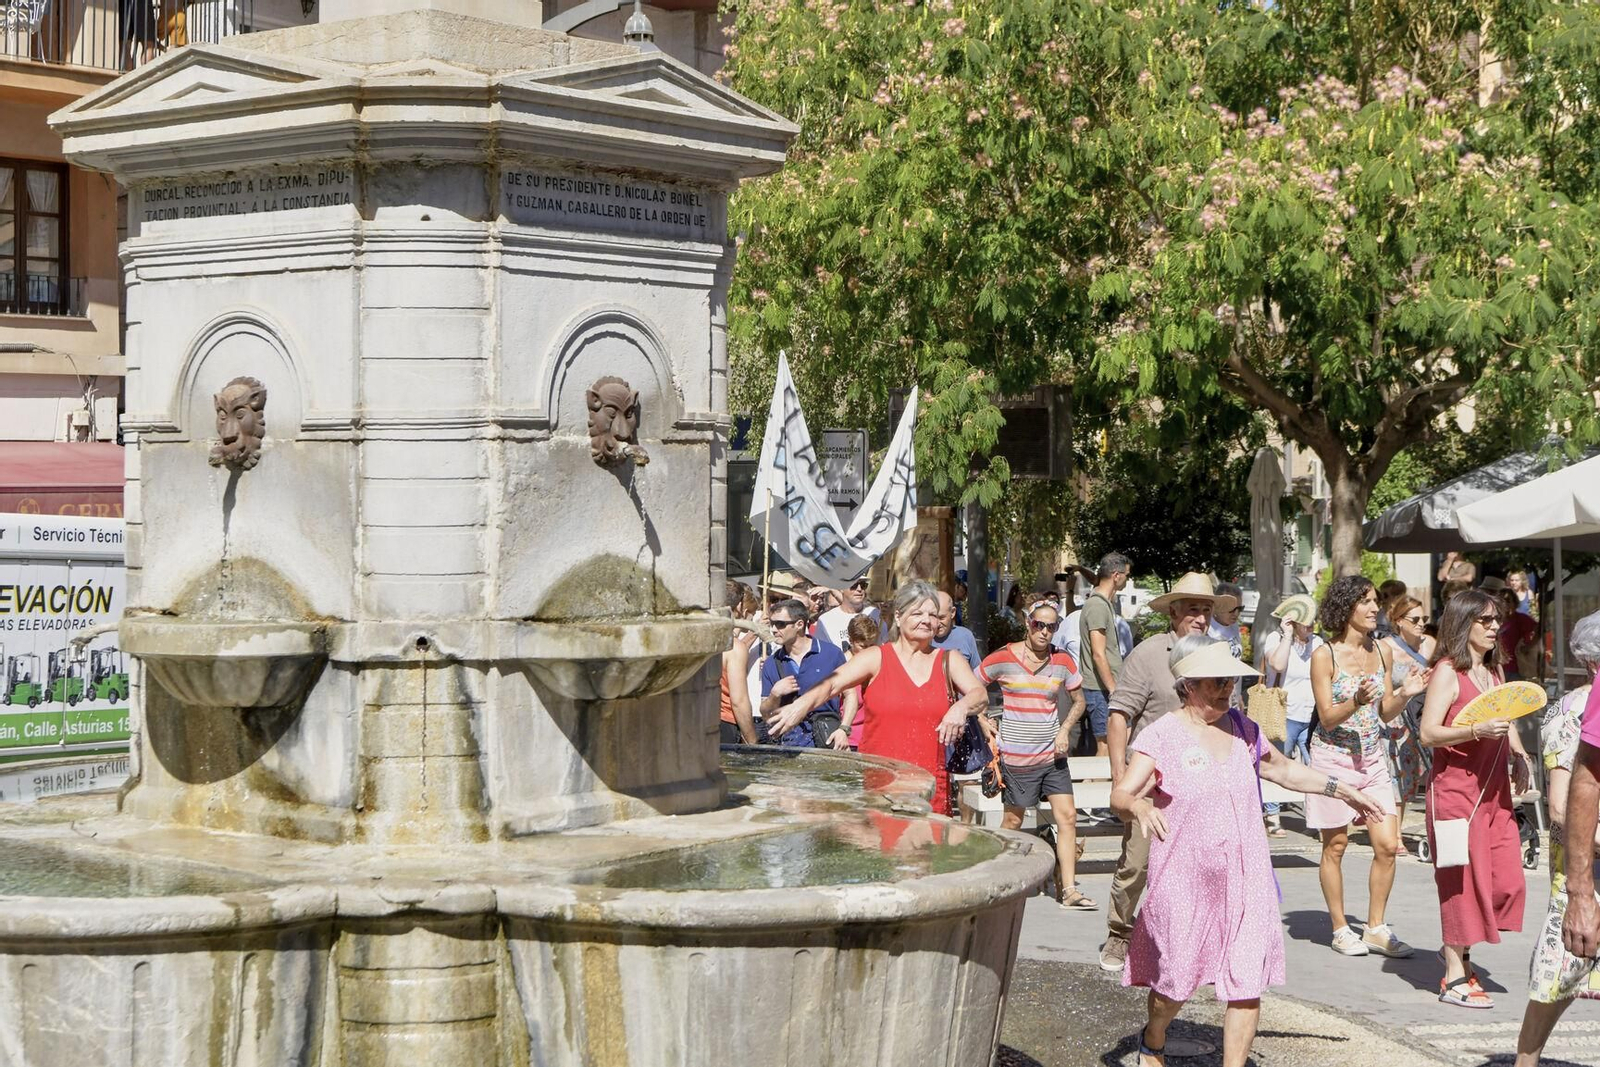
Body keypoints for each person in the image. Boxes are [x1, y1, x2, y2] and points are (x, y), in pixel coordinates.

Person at [1113, 636, 1386, 1067]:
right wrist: (1140, 803)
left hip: (1247, 879)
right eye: (1216, 681)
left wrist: (1341, 788)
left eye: (1231, 680)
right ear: (1188, 685)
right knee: (1174, 984)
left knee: (1246, 984)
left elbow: (1283, 768)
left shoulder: (1243, 728)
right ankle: (1155, 1034)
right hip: (1186, 882)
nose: (1227, 688)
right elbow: (1121, 795)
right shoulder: (1162, 735)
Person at [1100, 571, 1235, 974]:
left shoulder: (1220, 654)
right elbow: (1120, 713)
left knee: (1206, 863)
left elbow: (1233, 716)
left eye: (1206, 610)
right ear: (1173, 612)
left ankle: (1197, 940)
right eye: (1192, 609)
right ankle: (1120, 933)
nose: (1200, 617)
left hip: (1203, 781)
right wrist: (1120, 773)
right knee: (1138, 863)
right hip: (1152, 781)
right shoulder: (1149, 653)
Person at [774, 580, 988, 814]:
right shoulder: (876, 657)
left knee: (929, 848)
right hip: (881, 787)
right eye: (917, 613)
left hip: (929, 787)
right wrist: (800, 705)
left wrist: (961, 707)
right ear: (898, 616)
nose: (926, 620)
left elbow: (980, 695)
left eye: (933, 615)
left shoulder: (949, 659)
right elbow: (831, 683)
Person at [1419, 588, 1532, 1008]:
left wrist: (1519, 755)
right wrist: (1474, 732)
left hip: (1494, 794)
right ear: (1463, 623)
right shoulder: (1448, 671)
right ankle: (1454, 974)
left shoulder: (1494, 671)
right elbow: (1428, 733)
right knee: (1460, 882)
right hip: (1454, 794)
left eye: (1495, 619)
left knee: (1506, 880)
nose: (1493, 627)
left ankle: (1459, 948)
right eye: (1484, 620)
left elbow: (1507, 718)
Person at [1308, 575, 1428, 959]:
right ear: (1346, 608)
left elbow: (1384, 710)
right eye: (1366, 602)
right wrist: (1356, 701)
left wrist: (1405, 694)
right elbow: (1327, 718)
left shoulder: (1383, 652)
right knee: (1336, 845)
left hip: (1373, 757)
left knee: (1388, 845)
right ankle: (1341, 928)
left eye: (1375, 601)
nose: (1375, 608)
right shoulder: (1324, 654)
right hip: (1333, 758)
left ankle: (1376, 928)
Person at [1514, 611, 1600, 1065]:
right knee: (1561, 972)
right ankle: (1525, 1061)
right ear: (1592, 662)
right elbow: (1563, 808)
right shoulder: (1572, 712)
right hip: (1583, 866)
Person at [978, 599, 1094, 911]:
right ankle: (995, 878)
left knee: (1067, 817)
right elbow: (971, 688)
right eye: (1038, 624)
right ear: (1027, 623)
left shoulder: (1063, 661)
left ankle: (1068, 889)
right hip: (1017, 758)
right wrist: (982, 719)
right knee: (1013, 821)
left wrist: (1064, 729)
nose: (1044, 632)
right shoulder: (1003, 657)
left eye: (1051, 626)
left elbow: (1079, 700)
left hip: (1052, 757)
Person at [1382, 594, 1435, 850]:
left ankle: (1398, 831)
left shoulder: (1430, 645)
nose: (1421, 623)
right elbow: (1381, 688)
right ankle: (1395, 836)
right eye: (1415, 619)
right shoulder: (1386, 648)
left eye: (1424, 618)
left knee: (1411, 778)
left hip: (1420, 717)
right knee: (1395, 778)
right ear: (1399, 621)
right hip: (1394, 720)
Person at [759, 598, 848, 748]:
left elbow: (850, 695)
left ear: (799, 624)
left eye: (780, 624)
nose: (774, 629)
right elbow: (765, 713)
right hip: (790, 746)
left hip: (827, 740)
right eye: (772, 624)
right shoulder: (771, 663)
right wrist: (775, 694)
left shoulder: (831, 653)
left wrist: (844, 729)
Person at [1079, 553, 1132, 759]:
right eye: (1126, 575)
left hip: (1104, 688)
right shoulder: (1097, 606)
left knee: (1115, 744)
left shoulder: (1103, 603)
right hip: (1100, 688)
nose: (1127, 579)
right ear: (1116, 575)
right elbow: (1098, 654)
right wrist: (1113, 689)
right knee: (1106, 747)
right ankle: (1092, 789)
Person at [1260, 594, 1323, 764]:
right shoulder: (1276, 639)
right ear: (1292, 622)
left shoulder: (1318, 642)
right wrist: (1287, 635)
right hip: (1284, 716)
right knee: (1279, 766)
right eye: (1306, 620)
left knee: (1315, 767)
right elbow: (1278, 665)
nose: (1311, 624)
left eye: (1313, 619)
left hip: (1312, 717)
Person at [719, 581, 762, 745]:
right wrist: (751, 740)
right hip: (726, 724)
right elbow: (739, 701)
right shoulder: (735, 648)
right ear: (739, 607)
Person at [839, 613, 882, 750]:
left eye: (872, 645)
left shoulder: (879, 660)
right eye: (863, 646)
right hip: (850, 739)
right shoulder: (842, 664)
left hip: (875, 736)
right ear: (851, 640)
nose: (868, 651)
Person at [814, 576, 879, 650]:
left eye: (863, 585)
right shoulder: (826, 620)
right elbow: (822, 652)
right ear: (841, 588)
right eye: (853, 585)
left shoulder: (875, 613)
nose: (859, 589)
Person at [1495, 587, 1539, 681]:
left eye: (1508, 601)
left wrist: (1529, 646)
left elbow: (1540, 629)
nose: (1504, 604)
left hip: (1515, 669)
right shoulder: (1494, 620)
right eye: (1501, 601)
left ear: (1514, 603)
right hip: (1496, 667)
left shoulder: (1520, 619)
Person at [933, 590, 982, 672]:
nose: (937, 624)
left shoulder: (965, 636)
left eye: (942, 618)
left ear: (952, 613)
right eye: (934, 617)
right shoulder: (923, 638)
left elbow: (977, 672)